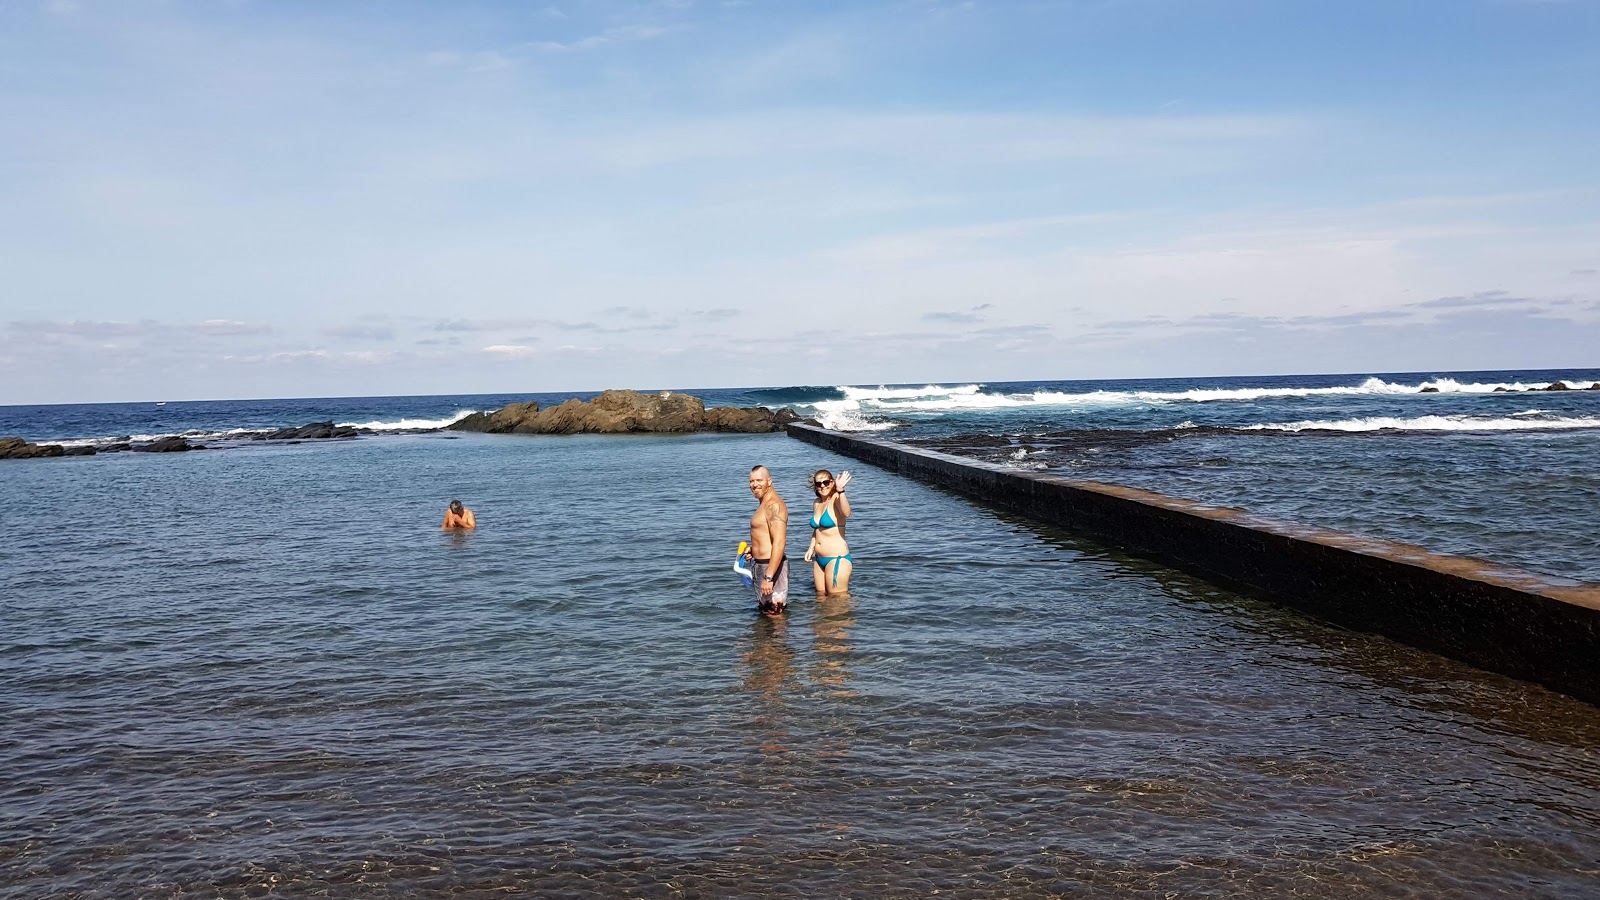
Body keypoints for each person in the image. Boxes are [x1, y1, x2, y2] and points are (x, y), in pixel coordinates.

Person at [744, 465, 789, 615]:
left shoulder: (773, 505)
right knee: (766, 613)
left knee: (775, 614)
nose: (754, 484)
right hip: (762, 565)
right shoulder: (764, 504)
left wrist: (769, 576)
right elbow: (766, 536)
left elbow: (780, 542)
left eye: (759, 480)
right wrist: (754, 549)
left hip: (771, 567)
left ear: (769, 482)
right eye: (751, 481)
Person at [803, 469, 852, 595]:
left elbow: (846, 513)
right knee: (820, 600)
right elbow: (817, 530)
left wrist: (841, 490)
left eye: (826, 482)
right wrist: (811, 548)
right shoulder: (817, 503)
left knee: (837, 602)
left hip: (836, 559)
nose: (822, 486)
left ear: (832, 483)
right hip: (819, 559)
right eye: (819, 484)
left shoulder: (836, 498)